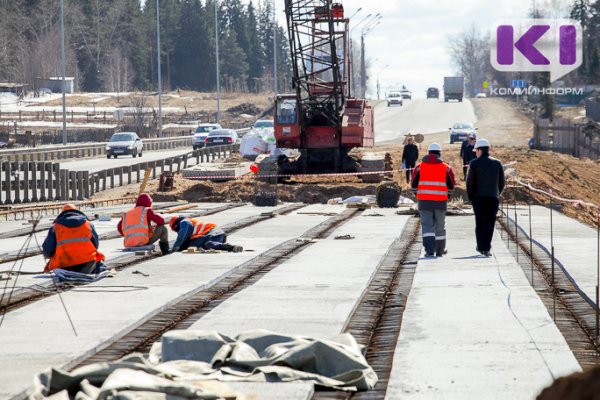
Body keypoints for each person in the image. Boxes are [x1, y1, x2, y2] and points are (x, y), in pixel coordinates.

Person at [411, 143, 456, 257]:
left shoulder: (419, 167)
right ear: (439, 153)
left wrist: (419, 195)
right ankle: (440, 251)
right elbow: (451, 186)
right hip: (441, 202)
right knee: (440, 226)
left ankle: (429, 251)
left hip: (424, 202)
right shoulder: (446, 168)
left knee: (427, 226)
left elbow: (413, 185)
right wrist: (446, 196)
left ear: (428, 153)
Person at [466, 138, 505, 257]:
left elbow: (469, 183)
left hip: (478, 198)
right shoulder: (497, 163)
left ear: (479, 150)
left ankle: (480, 246)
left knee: (480, 222)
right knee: (490, 222)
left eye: (476, 151)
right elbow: (502, 182)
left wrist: (470, 197)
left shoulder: (474, 163)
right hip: (493, 198)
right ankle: (486, 248)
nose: (475, 153)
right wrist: (497, 194)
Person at [42, 204, 105, 273]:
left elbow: (47, 251)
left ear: (62, 214)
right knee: (98, 259)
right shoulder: (88, 224)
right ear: (77, 212)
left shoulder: (55, 227)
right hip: (87, 264)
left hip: (64, 266)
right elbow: (95, 245)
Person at [169, 216, 243, 253]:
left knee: (205, 244)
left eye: (176, 228)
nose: (177, 231)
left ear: (176, 223)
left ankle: (231, 247)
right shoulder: (187, 223)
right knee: (196, 244)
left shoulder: (184, 222)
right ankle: (229, 247)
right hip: (216, 236)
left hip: (213, 233)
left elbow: (182, 238)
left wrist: (175, 249)